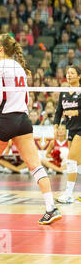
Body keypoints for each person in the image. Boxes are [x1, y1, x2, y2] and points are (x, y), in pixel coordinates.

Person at [0, 33, 62, 225]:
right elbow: (23, 98)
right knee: (35, 165)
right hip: (23, 119)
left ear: (1, 49)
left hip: (5, 120)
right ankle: (51, 207)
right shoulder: (20, 67)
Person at [53, 65, 81, 203]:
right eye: (67, 73)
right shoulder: (64, 93)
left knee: (71, 160)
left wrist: (76, 112)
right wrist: (55, 126)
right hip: (71, 128)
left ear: (79, 76)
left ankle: (68, 194)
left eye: (72, 73)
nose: (69, 75)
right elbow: (58, 111)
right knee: (78, 163)